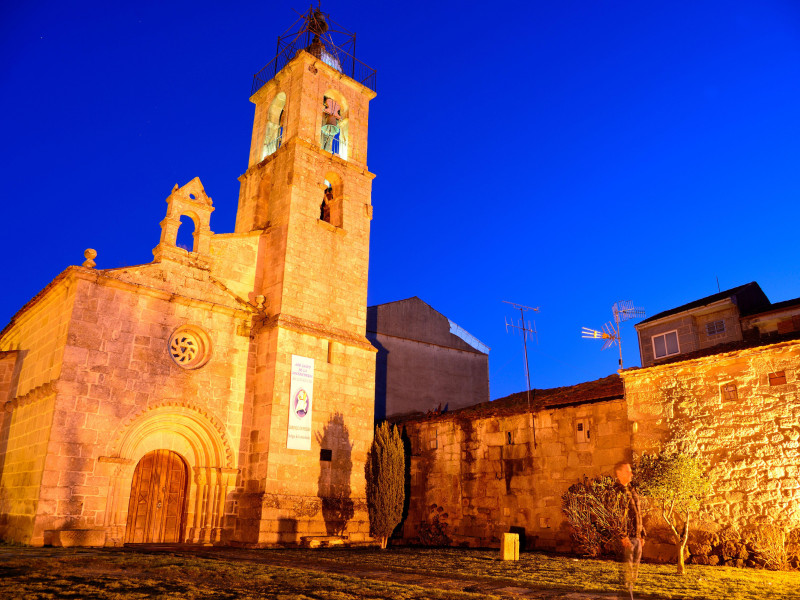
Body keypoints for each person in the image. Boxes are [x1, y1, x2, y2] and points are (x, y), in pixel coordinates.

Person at [615, 461, 646, 600]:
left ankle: (631, 595)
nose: (631, 474)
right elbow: (616, 516)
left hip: (636, 538)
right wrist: (623, 536)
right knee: (626, 573)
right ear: (619, 473)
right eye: (627, 471)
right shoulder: (617, 492)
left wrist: (641, 534)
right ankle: (626, 597)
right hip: (627, 539)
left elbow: (637, 514)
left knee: (634, 573)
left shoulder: (631, 490)